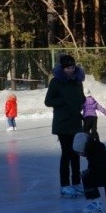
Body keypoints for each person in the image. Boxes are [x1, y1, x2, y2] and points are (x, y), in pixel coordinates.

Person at [44, 54, 86, 198]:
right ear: (62, 68)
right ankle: (64, 185)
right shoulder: (56, 82)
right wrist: (62, 101)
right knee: (67, 154)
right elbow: (48, 101)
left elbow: (81, 97)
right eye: (68, 68)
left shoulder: (78, 82)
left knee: (76, 154)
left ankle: (76, 182)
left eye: (72, 67)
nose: (71, 70)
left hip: (75, 122)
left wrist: (83, 101)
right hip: (63, 123)